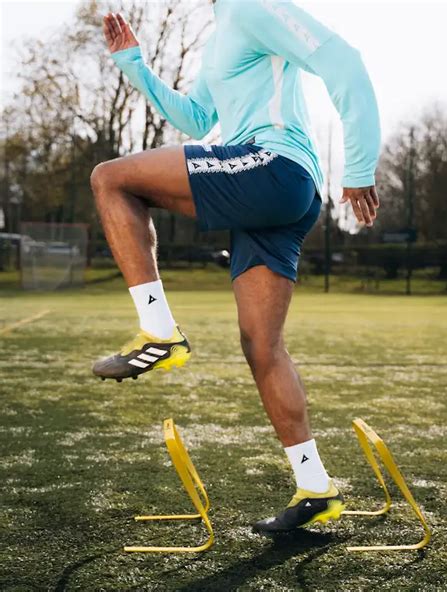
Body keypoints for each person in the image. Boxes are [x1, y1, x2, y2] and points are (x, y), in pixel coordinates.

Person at [91, 0, 381, 533]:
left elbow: (344, 61)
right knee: (262, 346)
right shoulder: (223, 29)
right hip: (274, 192)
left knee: (110, 178)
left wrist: (360, 165)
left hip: (273, 168)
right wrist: (134, 64)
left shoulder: (254, 7)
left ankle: (159, 331)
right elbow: (198, 119)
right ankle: (316, 486)